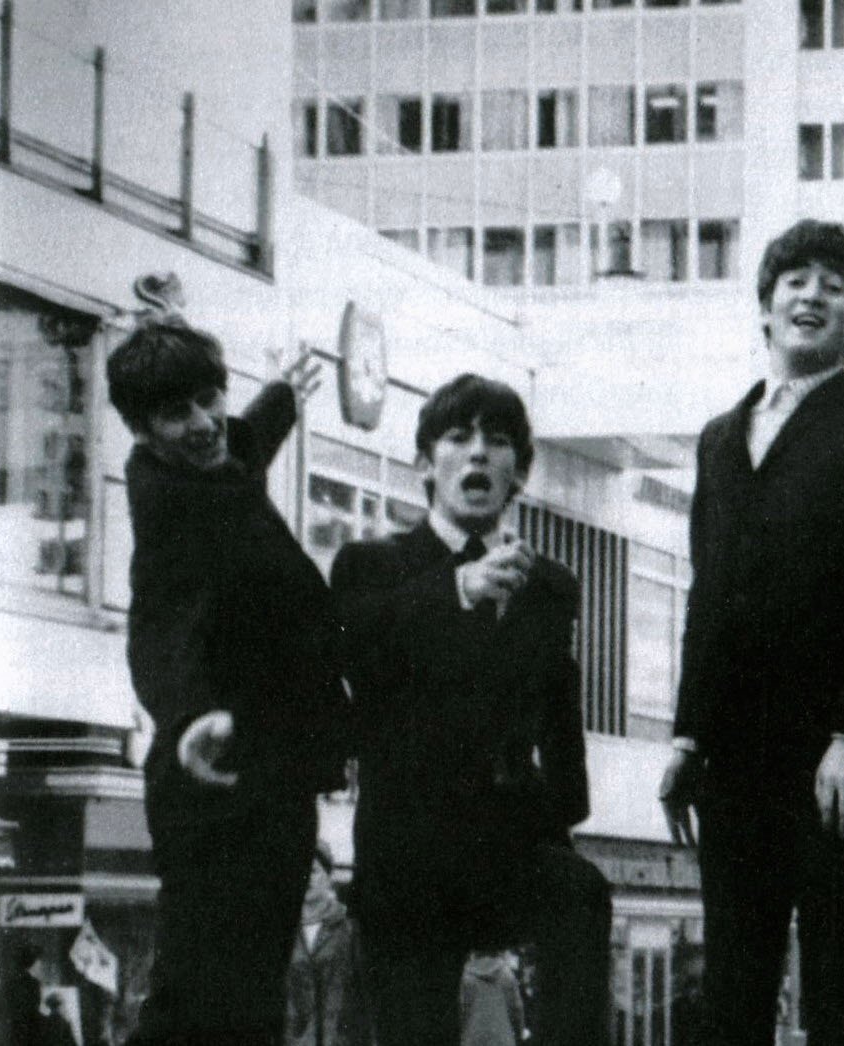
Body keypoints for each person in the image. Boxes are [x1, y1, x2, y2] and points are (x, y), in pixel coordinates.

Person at [659, 220, 844, 1046]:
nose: (813, 294)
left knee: (838, 973)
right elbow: (706, 596)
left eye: (835, 285)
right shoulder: (718, 438)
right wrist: (685, 734)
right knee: (734, 976)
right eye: (797, 279)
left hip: (832, 756)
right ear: (767, 306)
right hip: (731, 756)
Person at [331, 373, 611, 1046]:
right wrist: (454, 590)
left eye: (498, 441)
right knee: (413, 1028)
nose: (479, 453)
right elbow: (361, 662)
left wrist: (560, 810)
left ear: (519, 473)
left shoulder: (548, 585)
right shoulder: (373, 564)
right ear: (426, 464)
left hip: (508, 842)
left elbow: (558, 704)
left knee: (580, 894)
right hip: (410, 849)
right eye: (459, 438)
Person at [109, 318, 348, 1046]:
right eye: (176, 413)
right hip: (215, 778)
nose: (204, 422)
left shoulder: (217, 466)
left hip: (270, 769)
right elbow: (157, 628)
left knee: (248, 998)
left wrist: (279, 397)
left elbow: (242, 439)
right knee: (205, 998)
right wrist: (188, 716)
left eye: (211, 398)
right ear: (143, 429)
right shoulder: (172, 508)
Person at [284, 842, 369, 1046]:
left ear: (329, 877)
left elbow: (364, 996)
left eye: (312, 871)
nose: (306, 879)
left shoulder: (349, 929)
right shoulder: (282, 932)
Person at [459, 953, 524, 1046]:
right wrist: (519, 1036)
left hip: (472, 1039)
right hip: (503, 1039)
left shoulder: (465, 977)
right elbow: (517, 1010)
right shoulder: (507, 975)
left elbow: (460, 1011)